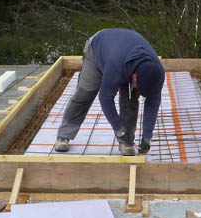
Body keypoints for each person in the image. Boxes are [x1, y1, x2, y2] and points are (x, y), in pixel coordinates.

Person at [53, 28, 165, 156]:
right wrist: (118, 127)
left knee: (130, 100)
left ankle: (126, 141)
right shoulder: (115, 65)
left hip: (123, 51)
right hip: (98, 48)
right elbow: (105, 99)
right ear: (135, 76)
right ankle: (64, 135)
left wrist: (147, 137)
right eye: (138, 86)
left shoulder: (157, 72)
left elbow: (153, 103)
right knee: (85, 94)